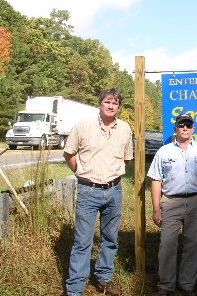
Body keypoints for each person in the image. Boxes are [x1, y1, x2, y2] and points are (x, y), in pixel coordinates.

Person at [64, 88, 133, 296]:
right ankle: (75, 288)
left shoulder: (125, 129)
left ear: (118, 106)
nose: (111, 106)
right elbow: (69, 154)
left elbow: (126, 158)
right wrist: (83, 173)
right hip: (88, 190)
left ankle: (104, 279)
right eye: (107, 102)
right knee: (82, 241)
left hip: (114, 190)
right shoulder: (83, 126)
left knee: (110, 238)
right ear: (100, 104)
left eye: (115, 103)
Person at [148, 113, 197, 296]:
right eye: (181, 125)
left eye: (188, 125)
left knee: (194, 244)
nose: (185, 128)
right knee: (167, 245)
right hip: (171, 202)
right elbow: (155, 180)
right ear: (175, 129)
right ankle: (166, 285)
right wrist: (156, 209)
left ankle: (187, 285)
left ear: (193, 128)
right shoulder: (164, 152)